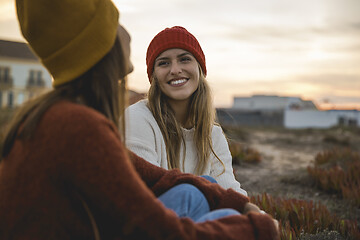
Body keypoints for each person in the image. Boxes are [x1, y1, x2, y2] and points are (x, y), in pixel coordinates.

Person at [0, 0, 279, 239]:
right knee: (198, 195)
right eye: (116, 21)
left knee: (197, 189)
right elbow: (159, 229)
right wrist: (256, 230)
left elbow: (153, 175)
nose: (126, 32)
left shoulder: (64, 115)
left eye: (184, 59)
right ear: (99, 42)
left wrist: (238, 204)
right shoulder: (76, 126)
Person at [125, 26, 247, 195]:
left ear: (199, 69)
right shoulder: (136, 118)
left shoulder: (213, 135)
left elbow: (230, 190)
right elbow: (143, 192)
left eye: (184, 59)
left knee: (215, 190)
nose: (175, 70)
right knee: (196, 191)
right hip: (151, 216)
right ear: (154, 77)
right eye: (164, 63)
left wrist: (257, 217)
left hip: (197, 218)